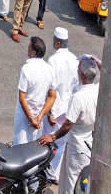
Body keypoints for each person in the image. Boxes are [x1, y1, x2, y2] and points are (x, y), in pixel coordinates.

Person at [38, 57, 99, 194]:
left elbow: (68, 124)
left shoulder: (78, 96)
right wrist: (96, 63)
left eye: (78, 70)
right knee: (83, 179)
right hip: (88, 143)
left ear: (82, 75)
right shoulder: (97, 90)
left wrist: (52, 137)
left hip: (77, 146)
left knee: (73, 180)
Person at [44, 27, 78, 175]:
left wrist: (49, 112)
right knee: (61, 143)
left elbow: (50, 88)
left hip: (55, 108)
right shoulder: (75, 59)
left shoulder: (53, 60)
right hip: (68, 110)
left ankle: (47, 172)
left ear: (57, 43)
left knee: (48, 140)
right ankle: (56, 174)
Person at [14, 37, 57, 144]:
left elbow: (22, 97)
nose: (27, 49)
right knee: (33, 149)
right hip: (39, 119)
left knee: (19, 148)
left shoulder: (26, 69)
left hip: (24, 118)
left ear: (33, 52)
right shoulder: (50, 70)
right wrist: (40, 116)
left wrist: (31, 119)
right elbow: (52, 96)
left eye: (29, 47)